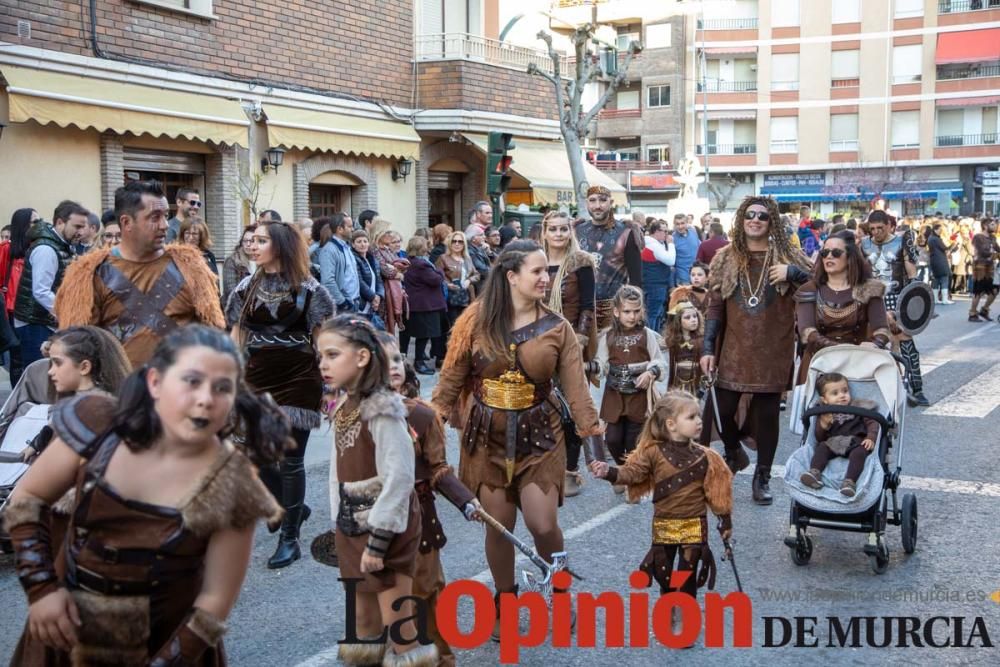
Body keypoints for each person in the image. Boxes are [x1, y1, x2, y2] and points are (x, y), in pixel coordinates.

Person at [3, 325, 285, 665]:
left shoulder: (233, 482)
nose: (205, 399)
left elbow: (214, 601)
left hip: (169, 640)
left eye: (222, 387)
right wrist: (42, 590)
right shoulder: (98, 426)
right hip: (67, 633)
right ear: (156, 383)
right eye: (191, 381)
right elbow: (26, 498)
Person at [431, 240, 603, 638]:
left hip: (540, 437)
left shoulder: (558, 329)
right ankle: (504, 599)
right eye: (537, 272)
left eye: (548, 271)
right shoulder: (474, 322)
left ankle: (558, 590)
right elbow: (450, 381)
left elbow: (577, 393)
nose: (546, 278)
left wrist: (595, 448)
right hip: (484, 438)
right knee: (499, 526)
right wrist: (427, 426)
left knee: (542, 524)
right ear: (511, 276)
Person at [319, 316, 437, 666]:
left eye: (333, 354)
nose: (323, 364)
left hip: (384, 531)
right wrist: (337, 521)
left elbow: (400, 478)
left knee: (399, 625)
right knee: (363, 623)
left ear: (361, 358)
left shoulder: (383, 410)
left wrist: (380, 539)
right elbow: (337, 472)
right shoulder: (343, 405)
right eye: (321, 356)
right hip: (352, 525)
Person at [227, 220, 334, 569]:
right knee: (249, 455)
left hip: (299, 377)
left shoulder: (311, 290)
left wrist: (332, 386)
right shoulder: (244, 288)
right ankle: (292, 507)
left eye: (261, 240)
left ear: (282, 246)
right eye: (251, 240)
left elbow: (325, 342)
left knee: (290, 460)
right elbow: (235, 340)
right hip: (256, 378)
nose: (252, 245)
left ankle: (290, 538)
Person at [588, 391, 732, 639]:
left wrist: (725, 521)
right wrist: (609, 472)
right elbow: (633, 473)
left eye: (699, 416)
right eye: (691, 417)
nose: (699, 421)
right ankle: (669, 606)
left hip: (694, 526)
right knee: (665, 574)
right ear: (671, 424)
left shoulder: (707, 458)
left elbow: (717, 495)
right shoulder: (653, 453)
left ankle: (685, 615)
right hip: (664, 524)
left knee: (685, 575)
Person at [700, 196, 811, 505]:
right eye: (750, 215)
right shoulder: (725, 257)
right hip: (734, 347)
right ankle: (733, 451)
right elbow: (714, 307)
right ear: (741, 219)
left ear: (771, 221)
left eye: (762, 216)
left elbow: (819, 287)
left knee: (766, 415)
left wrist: (794, 275)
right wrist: (708, 347)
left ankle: (763, 475)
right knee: (721, 410)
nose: (756, 220)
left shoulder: (789, 256)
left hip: (773, 347)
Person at [378, 333, 480, 666]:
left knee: (426, 593)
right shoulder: (353, 417)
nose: (392, 366)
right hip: (375, 523)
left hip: (417, 520)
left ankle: (443, 660)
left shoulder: (422, 416)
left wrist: (465, 500)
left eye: (396, 359)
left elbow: (437, 468)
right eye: (382, 360)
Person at [55, 181, 226, 368]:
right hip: (121, 391)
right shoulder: (87, 274)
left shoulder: (191, 267)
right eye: (154, 217)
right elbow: (78, 349)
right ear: (126, 222)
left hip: (183, 388)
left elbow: (213, 334)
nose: (165, 225)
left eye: (166, 216)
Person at [541, 211, 597, 497]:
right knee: (539, 404)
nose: (559, 234)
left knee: (569, 406)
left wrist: (579, 339)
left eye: (564, 229)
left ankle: (570, 470)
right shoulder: (534, 261)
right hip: (537, 341)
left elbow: (588, 305)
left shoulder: (580, 262)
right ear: (545, 232)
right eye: (554, 229)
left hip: (570, 341)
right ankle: (543, 464)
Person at [592, 286, 668, 487]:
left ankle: (629, 480)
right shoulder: (607, 336)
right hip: (614, 396)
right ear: (616, 311)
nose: (632, 316)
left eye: (636, 311)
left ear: (642, 311)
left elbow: (660, 362)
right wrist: (590, 366)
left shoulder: (647, 334)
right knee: (613, 441)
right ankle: (622, 472)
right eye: (627, 311)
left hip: (638, 397)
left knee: (632, 442)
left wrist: (651, 372)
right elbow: (601, 363)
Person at [793, 230, 891, 385]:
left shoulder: (869, 288)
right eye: (825, 252)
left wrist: (875, 344)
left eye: (836, 252)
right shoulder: (809, 289)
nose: (829, 256)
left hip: (858, 365)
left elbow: (882, 330)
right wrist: (845, 350)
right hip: (818, 365)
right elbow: (807, 333)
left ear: (850, 257)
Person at [860, 210, 929, 407]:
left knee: (905, 341)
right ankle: (877, 386)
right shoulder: (864, 244)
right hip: (873, 298)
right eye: (872, 229)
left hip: (897, 298)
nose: (876, 232)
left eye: (880, 228)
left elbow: (911, 272)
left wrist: (915, 298)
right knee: (871, 342)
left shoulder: (902, 241)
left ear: (889, 225)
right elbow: (862, 273)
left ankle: (917, 388)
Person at [14, 201, 89, 369]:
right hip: (35, 323)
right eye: (76, 226)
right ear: (60, 222)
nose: (81, 232)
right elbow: (41, 291)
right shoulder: (46, 250)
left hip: (43, 321)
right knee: (39, 376)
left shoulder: (62, 245)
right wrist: (67, 313)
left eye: (83, 227)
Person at [799, 373, 879, 498]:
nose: (842, 395)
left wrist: (871, 437)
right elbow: (819, 438)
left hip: (857, 441)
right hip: (833, 442)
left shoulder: (859, 406)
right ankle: (815, 472)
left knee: (859, 453)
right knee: (821, 448)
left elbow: (872, 422)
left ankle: (849, 482)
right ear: (824, 400)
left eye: (845, 391)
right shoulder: (824, 412)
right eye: (835, 393)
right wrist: (823, 426)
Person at [575, 185, 643, 330]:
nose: (597, 206)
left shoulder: (626, 232)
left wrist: (634, 312)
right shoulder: (577, 231)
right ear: (586, 203)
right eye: (592, 201)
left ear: (611, 203)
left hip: (615, 311)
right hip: (581, 311)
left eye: (602, 200)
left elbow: (636, 280)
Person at [0, 208, 39, 384]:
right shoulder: (6, 250)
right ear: (22, 225)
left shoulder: (39, 248)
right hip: (12, 312)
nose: (38, 225)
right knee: (17, 360)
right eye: (34, 222)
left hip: (36, 312)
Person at [401, 236, 447, 375]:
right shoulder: (422, 264)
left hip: (416, 304)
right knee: (424, 335)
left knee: (417, 334)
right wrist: (440, 270)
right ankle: (419, 362)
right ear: (422, 248)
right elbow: (436, 279)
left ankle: (416, 359)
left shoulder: (409, 261)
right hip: (425, 306)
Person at [312, 213, 360, 313]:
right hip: (342, 306)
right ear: (339, 229)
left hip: (353, 302)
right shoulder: (329, 250)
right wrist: (343, 302)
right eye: (350, 226)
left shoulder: (346, 247)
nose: (353, 229)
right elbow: (328, 281)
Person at [436, 230, 480, 330]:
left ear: (464, 244)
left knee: (466, 328)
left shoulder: (467, 259)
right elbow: (437, 276)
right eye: (454, 241)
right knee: (453, 328)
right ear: (450, 243)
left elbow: (477, 274)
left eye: (460, 242)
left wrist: (469, 280)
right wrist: (447, 284)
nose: (457, 244)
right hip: (451, 299)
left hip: (466, 298)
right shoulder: (443, 258)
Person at [371, 226, 409, 335]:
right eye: (386, 232)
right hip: (385, 293)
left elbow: (402, 267)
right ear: (379, 234)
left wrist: (395, 269)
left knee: (391, 325)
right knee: (385, 325)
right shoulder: (375, 251)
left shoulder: (387, 250)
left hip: (394, 291)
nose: (389, 234)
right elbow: (386, 271)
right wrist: (394, 270)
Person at [641, 219, 675, 333]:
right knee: (653, 314)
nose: (666, 234)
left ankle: (652, 337)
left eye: (667, 231)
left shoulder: (650, 244)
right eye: (664, 231)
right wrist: (671, 244)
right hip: (656, 284)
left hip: (651, 283)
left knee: (654, 313)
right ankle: (652, 338)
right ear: (655, 231)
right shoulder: (653, 245)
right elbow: (671, 260)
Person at [664, 301, 705, 395]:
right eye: (687, 317)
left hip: (695, 382)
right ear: (678, 321)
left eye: (695, 316)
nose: (693, 320)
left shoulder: (701, 340)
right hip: (677, 382)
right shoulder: (672, 341)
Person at [969, 219, 999, 321]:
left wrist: (997, 254)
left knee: (994, 290)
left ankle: (984, 310)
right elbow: (982, 252)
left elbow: (997, 249)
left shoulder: (993, 237)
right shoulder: (978, 237)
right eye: (992, 224)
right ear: (985, 226)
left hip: (990, 267)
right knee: (979, 291)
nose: (995, 226)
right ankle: (972, 313)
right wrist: (995, 255)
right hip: (980, 266)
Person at [351, 230, 384, 322]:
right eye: (359, 241)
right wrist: (373, 297)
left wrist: (379, 296)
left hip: (373, 305)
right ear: (353, 244)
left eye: (365, 241)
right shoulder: (353, 259)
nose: (362, 244)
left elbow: (379, 281)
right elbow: (359, 281)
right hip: (361, 304)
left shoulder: (373, 260)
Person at [222, 225, 256, 309]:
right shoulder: (233, 260)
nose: (248, 244)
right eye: (245, 241)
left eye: (252, 241)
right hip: (236, 311)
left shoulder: (262, 260)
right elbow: (231, 292)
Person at [925, 223, 954, 304]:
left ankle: (935, 299)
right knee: (945, 278)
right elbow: (945, 248)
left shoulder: (930, 238)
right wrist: (953, 244)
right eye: (940, 230)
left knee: (936, 279)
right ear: (935, 229)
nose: (941, 231)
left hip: (934, 260)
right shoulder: (936, 239)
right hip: (940, 260)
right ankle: (945, 299)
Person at [671, 213, 701, 285]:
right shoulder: (672, 239)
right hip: (683, 278)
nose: (680, 226)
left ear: (687, 223)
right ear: (674, 225)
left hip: (697, 274)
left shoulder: (693, 232)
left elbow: (700, 246)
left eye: (682, 223)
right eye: (677, 224)